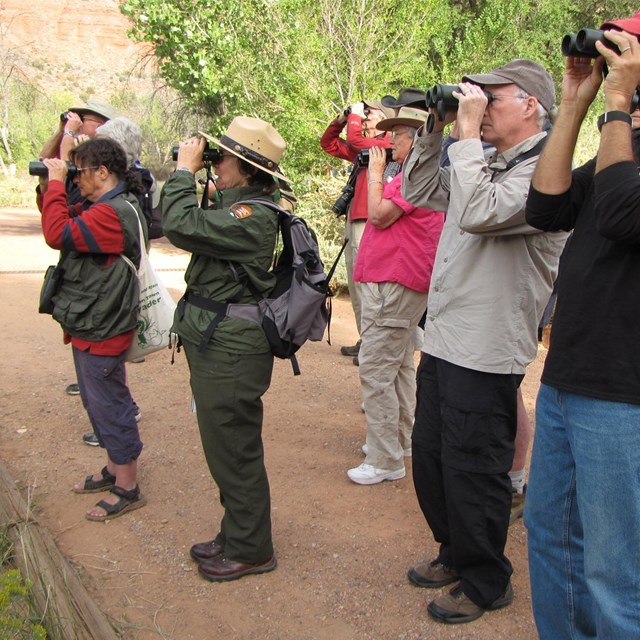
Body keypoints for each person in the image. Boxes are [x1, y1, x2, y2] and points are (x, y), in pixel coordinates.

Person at [401, 59, 567, 624]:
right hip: (447, 336)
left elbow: (477, 212)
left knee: (475, 466)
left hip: (487, 346)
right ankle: (455, 551)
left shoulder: (549, 172)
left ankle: (487, 578)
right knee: (432, 458)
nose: (481, 106)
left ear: (531, 105)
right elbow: (421, 189)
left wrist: (466, 138)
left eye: (492, 98)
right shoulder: (488, 160)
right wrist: (436, 128)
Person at [524, 16, 640, 639]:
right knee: (550, 542)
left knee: (617, 575)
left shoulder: (626, 153)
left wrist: (617, 104)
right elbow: (546, 208)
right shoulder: (620, 152)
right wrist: (575, 102)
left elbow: (623, 216)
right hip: (569, 379)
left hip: (626, 396)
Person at [161, 116, 287, 582]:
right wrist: (208, 185)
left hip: (233, 352)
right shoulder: (238, 207)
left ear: (249, 169)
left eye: (224, 157)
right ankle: (237, 531)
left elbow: (177, 223)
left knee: (234, 449)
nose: (216, 163)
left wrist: (182, 173)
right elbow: (196, 223)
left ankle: (252, 548)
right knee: (223, 446)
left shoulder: (254, 217)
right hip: (219, 344)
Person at [40, 137, 147, 521]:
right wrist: (48, 183)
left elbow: (56, 233)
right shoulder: (101, 205)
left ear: (102, 173)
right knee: (95, 400)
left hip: (103, 324)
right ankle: (114, 467)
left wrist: (54, 185)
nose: (74, 180)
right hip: (92, 319)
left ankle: (128, 485)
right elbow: (61, 216)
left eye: (79, 172)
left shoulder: (110, 214)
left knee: (109, 403)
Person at [346, 107, 444, 485]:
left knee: (375, 369)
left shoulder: (416, 177)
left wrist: (373, 176)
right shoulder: (412, 175)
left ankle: (386, 459)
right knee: (399, 364)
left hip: (395, 284)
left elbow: (379, 215)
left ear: (418, 137)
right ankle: (399, 440)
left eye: (397, 135)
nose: (388, 142)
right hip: (395, 282)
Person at [320, 99, 394, 361]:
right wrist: (341, 118)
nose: (364, 117)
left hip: (370, 221)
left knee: (367, 285)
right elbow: (328, 144)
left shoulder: (389, 144)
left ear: (386, 117)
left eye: (369, 113)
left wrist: (352, 118)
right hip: (355, 219)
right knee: (355, 283)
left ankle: (374, 344)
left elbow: (355, 141)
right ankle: (367, 339)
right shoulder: (363, 146)